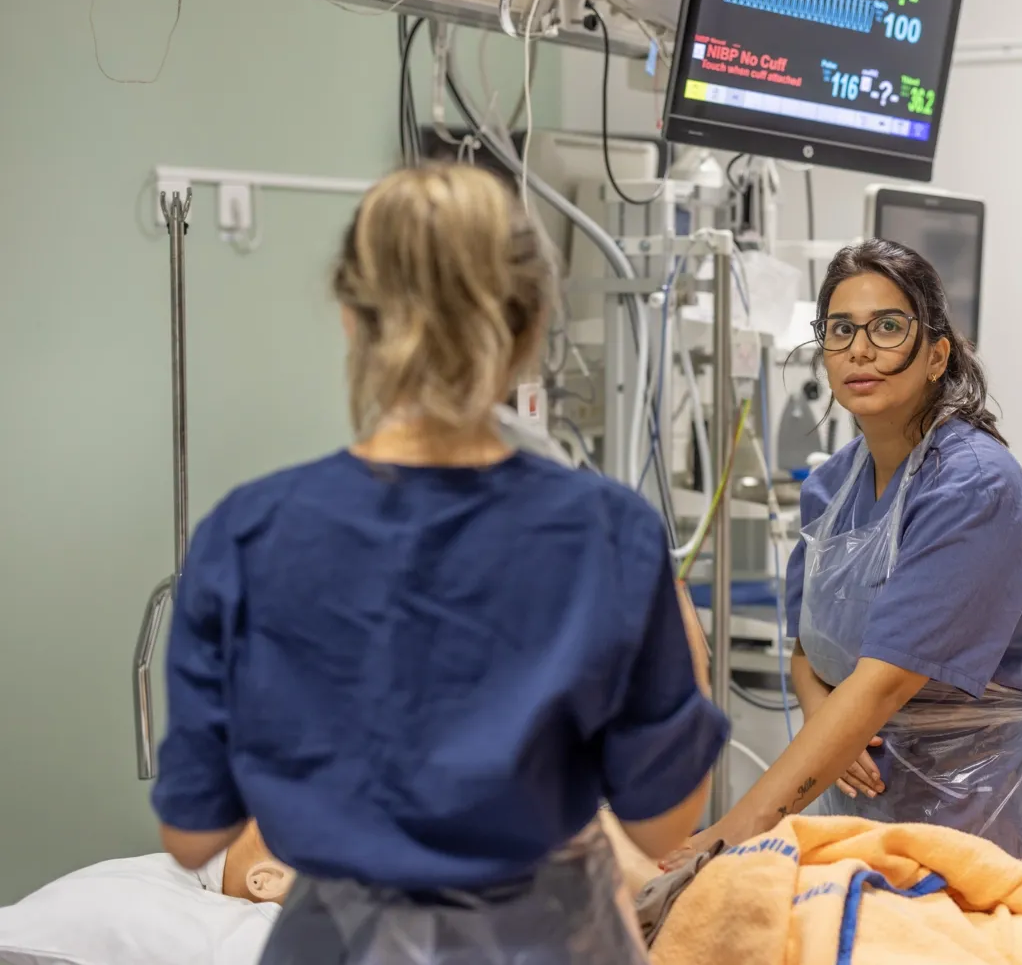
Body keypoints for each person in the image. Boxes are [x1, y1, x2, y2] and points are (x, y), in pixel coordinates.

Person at [149, 163, 731, 963]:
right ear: (530, 328)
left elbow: (190, 831)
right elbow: (662, 824)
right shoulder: (611, 536)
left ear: (353, 319)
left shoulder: (248, 533)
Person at [665, 238, 1022, 889]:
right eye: (841, 330)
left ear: (936, 355)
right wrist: (820, 714)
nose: (860, 349)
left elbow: (883, 683)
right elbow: (810, 648)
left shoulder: (973, 489)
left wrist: (729, 838)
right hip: (863, 808)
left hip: (986, 805)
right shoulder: (831, 488)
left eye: (888, 327)